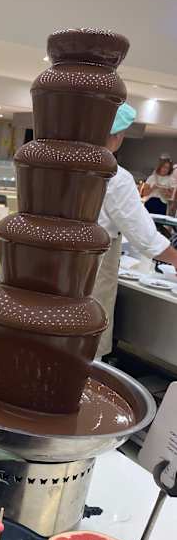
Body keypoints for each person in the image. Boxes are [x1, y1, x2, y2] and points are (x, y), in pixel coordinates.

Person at [94, 103, 177, 357]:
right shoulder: (115, 176)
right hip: (92, 269)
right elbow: (145, 238)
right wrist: (176, 259)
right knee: (86, 346)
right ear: (117, 136)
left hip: (53, 271)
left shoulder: (62, 165)